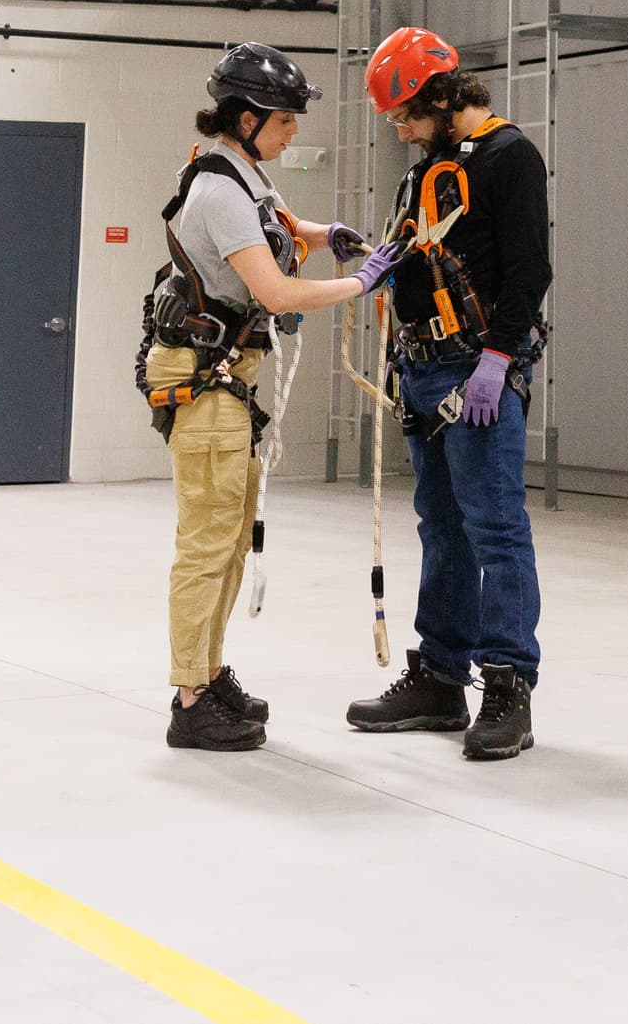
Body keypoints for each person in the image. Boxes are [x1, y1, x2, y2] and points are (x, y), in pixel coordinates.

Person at [139, 42, 394, 753]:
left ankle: (209, 673)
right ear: (248, 118)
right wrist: (361, 282)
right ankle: (191, 697)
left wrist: (325, 234)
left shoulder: (242, 173)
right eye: (285, 121)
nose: (293, 134)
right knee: (207, 542)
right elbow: (276, 292)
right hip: (203, 374)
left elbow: (280, 224)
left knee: (227, 538)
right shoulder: (219, 188)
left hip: (225, 375)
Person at [343, 26, 551, 763]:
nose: (398, 129)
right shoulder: (425, 168)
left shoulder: (509, 156)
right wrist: (366, 264)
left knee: (495, 525)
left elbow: (530, 269)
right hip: (423, 368)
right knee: (441, 524)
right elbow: (418, 254)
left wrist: (497, 358)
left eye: (405, 114)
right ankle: (439, 675)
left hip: (476, 372)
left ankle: (507, 684)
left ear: (438, 94)